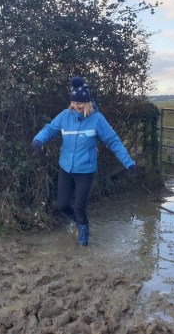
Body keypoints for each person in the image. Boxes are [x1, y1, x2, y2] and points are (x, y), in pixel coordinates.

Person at [31, 77, 137, 247]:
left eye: (80, 103)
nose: (76, 106)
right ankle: (77, 223)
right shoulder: (65, 116)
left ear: (87, 102)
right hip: (66, 168)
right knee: (63, 205)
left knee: (80, 207)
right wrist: (39, 139)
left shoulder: (97, 119)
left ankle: (83, 244)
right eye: (73, 102)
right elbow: (50, 129)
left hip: (85, 171)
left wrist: (128, 162)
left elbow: (113, 141)